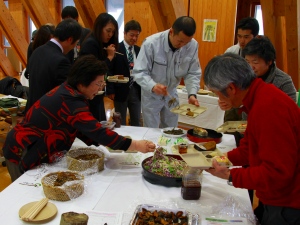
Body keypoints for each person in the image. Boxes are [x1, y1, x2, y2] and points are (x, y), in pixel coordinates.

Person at [2, 55, 156, 182]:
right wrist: (135, 145)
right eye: (98, 83)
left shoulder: (71, 91)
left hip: (34, 146)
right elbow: (95, 131)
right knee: (24, 193)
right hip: (23, 149)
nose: (101, 88)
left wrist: (101, 140)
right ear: (82, 82)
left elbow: (83, 127)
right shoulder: (70, 101)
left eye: (103, 83)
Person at [204, 53, 300, 225]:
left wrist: (230, 175)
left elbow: (277, 173)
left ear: (231, 88)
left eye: (217, 94)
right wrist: (220, 159)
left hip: (288, 203)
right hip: (275, 197)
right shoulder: (258, 97)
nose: (219, 99)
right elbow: (249, 149)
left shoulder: (268, 109)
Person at [132, 16, 201, 128]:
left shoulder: (192, 45)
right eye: (180, 41)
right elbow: (139, 72)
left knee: (171, 130)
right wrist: (153, 86)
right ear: (171, 32)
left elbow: (192, 72)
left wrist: (192, 93)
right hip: (151, 94)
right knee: (151, 131)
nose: (182, 46)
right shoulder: (151, 44)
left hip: (171, 93)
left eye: (186, 43)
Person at [24, 19, 82, 113]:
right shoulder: (60, 60)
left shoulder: (37, 51)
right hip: (48, 115)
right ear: (70, 40)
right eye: (76, 43)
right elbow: (67, 93)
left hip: (32, 110)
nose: (74, 47)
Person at [80, 13, 119, 121]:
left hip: (96, 92)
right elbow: (94, 70)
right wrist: (110, 57)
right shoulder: (91, 44)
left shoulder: (99, 44)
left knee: (100, 122)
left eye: (113, 32)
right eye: (108, 30)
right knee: (95, 122)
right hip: (89, 92)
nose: (110, 34)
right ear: (99, 28)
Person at [106, 20, 142, 126]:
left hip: (136, 89)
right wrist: (110, 89)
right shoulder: (116, 49)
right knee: (120, 121)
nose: (134, 38)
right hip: (120, 90)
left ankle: (137, 141)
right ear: (125, 33)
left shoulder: (139, 50)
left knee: (136, 120)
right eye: (131, 35)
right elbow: (109, 70)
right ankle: (122, 141)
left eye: (137, 36)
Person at [224, 17, 259, 122]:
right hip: (233, 101)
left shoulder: (261, 55)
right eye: (239, 36)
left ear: (255, 37)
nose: (242, 41)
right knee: (229, 133)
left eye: (246, 37)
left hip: (252, 102)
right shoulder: (231, 52)